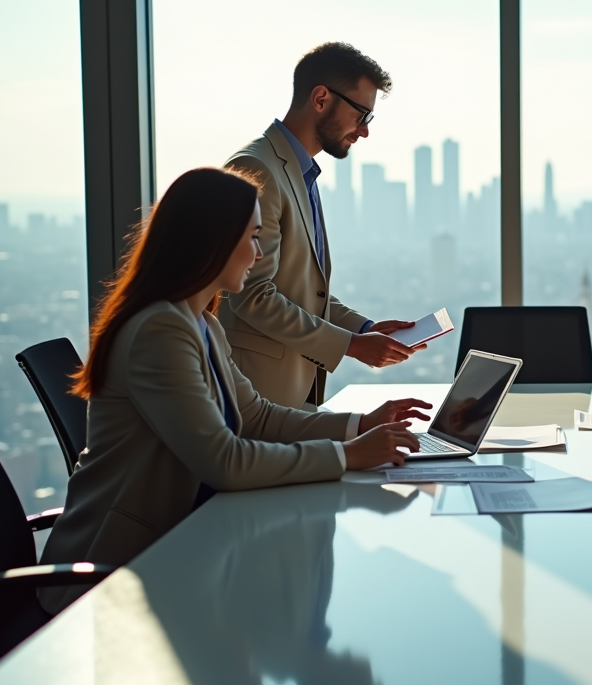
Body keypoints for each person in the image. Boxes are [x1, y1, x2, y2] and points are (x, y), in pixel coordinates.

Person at [39, 168, 430, 614]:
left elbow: (258, 417)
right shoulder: (160, 331)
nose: (258, 253)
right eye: (253, 237)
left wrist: (361, 425)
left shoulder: (200, 322)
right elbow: (224, 462)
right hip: (113, 574)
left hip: (177, 548)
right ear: (214, 242)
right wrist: (349, 456)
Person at [217, 42, 421, 409]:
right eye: (362, 115)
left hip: (289, 394)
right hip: (258, 396)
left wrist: (364, 329)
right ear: (322, 98)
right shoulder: (258, 169)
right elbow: (253, 295)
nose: (364, 131)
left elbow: (303, 293)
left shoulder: (298, 172)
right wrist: (352, 346)